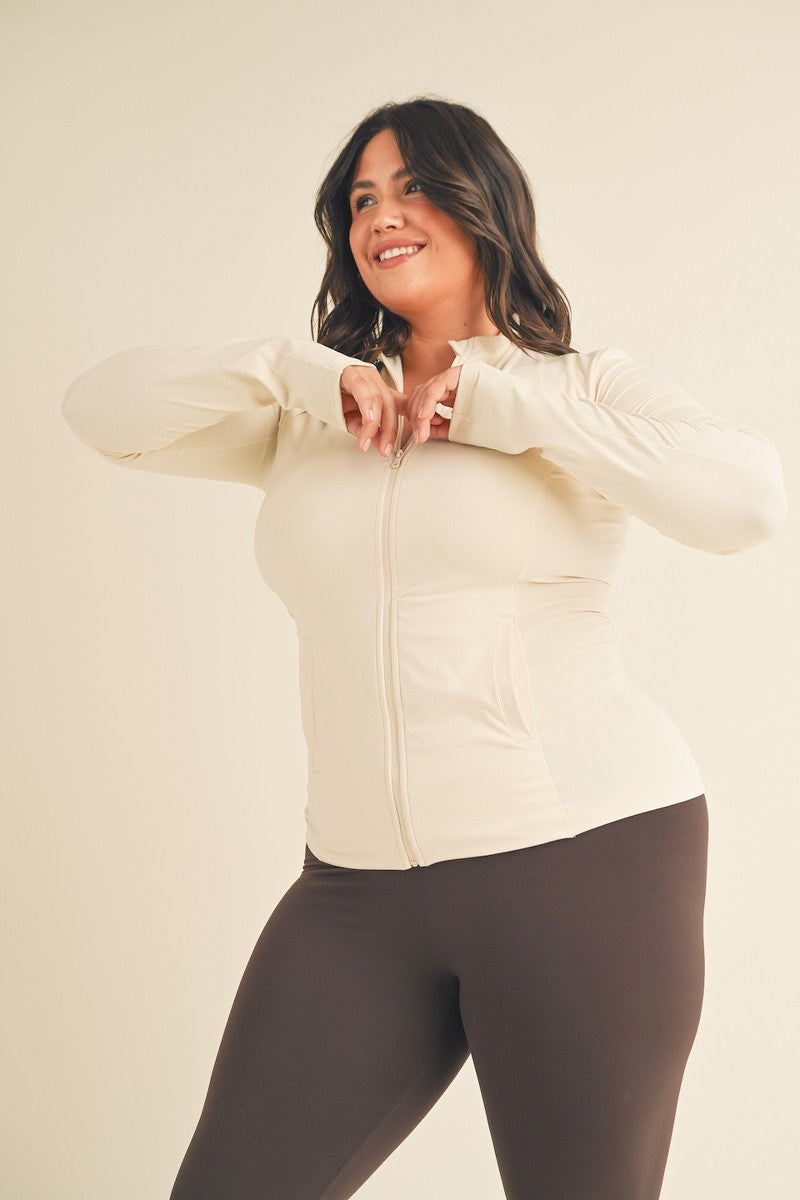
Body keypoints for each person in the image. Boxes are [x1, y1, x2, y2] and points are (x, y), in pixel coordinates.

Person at [61, 96, 787, 1200]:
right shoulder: (312, 413)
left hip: (580, 863)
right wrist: (298, 370)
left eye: (411, 187)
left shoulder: (578, 387)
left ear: (482, 203)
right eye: (360, 199)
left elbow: (745, 504)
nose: (381, 216)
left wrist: (505, 407)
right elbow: (100, 411)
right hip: (354, 895)